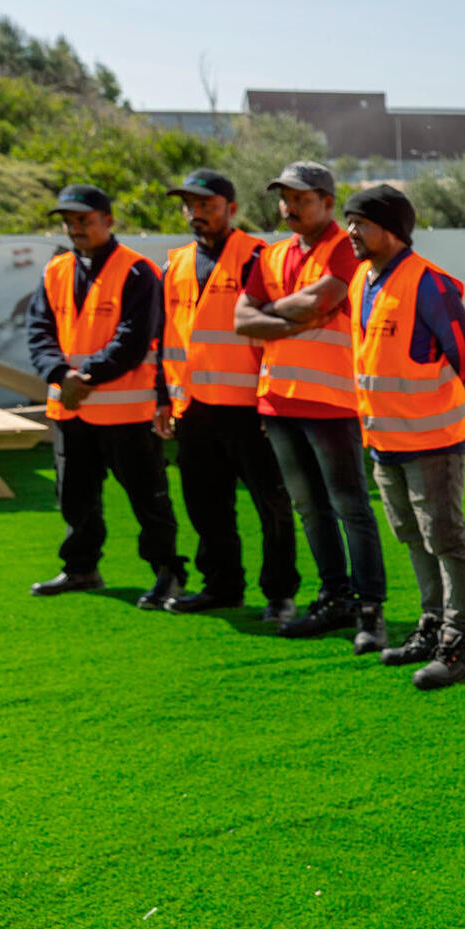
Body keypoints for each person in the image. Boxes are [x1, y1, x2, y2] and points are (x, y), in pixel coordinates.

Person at [235, 161, 387, 648]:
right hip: (278, 401)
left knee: (350, 507)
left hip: (332, 402)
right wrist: (292, 318)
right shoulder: (272, 254)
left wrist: (272, 314)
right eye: (285, 198)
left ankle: (369, 611)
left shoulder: (345, 247)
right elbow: (242, 319)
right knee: (310, 508)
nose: (290, 206)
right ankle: (334, 599)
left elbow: (323, 300)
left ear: (327, 201)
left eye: (301, 198)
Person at [342, 185, 465, 691]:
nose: (350, 232)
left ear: (391, 229)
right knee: (412, 535)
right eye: (349, 221)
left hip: (432, 440)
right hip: (386, 441)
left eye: (359, 223)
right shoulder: (362, 278)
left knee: (445, 538)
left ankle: (461, 642)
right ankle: (431, 624)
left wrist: (428, 403)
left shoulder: (429, 282)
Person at [25, 184, 185, 607]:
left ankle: (167, 572)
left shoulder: (137, 271)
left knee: (148, 497)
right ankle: (81, 568)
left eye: (84, 219)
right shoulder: (55, 270)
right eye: (69, 221)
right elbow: (39, 333)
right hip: (70, 408)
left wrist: (84, 377)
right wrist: (61, 375)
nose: (75, 228)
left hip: (126, 412)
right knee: (74, 496)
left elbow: (134, 339)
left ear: (108, 221)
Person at [153, 169, 300, 622]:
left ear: (231, 209)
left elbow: (278, 338)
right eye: (190, 206)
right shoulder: (173, 264)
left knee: (272, 504)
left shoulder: (260, 258)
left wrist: (270, 401)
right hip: (193, 409)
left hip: (249, 410)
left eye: (207, 206)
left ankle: (280, 593)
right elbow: (165, 338)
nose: (196, 215)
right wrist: (163, 399)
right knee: (206, 505)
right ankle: (221, 586)